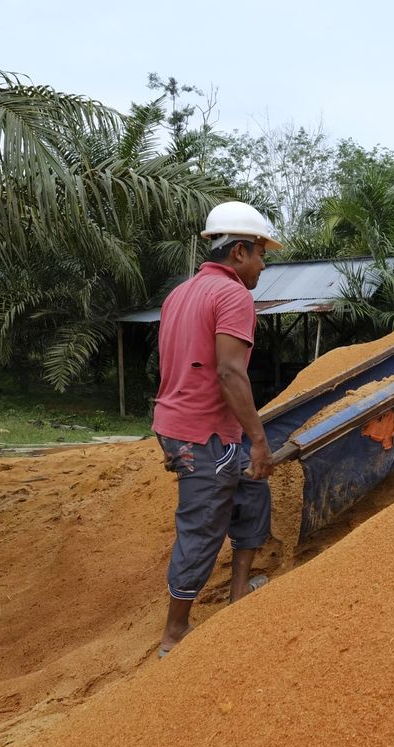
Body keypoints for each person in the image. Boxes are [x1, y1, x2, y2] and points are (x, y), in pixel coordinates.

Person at [151, 201, 282, 657]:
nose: (263, 266)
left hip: (184, 425)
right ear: (240, 252)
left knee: (251, 490)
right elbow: (230, 372)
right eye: (262, 254)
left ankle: (239, 589)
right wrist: (260, 439)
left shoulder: (180, 294)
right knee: (202, 525)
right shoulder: (233, 296)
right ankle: (175, 634)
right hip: (203, 433)